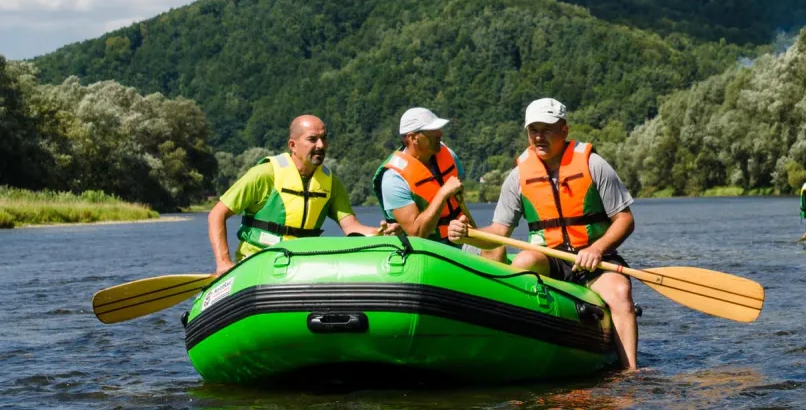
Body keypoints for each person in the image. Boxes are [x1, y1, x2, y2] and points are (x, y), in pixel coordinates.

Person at [447, 98, 640, 370]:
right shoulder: (517, 177)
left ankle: (630, 372)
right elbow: (499, 231)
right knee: (524, 261)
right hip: (551, 258)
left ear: (564, 130)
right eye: (533, 130)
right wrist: (468, 235)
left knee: (620, 291)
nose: (539, 136)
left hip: (595, 260)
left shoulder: (594, 165)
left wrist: (597, 248)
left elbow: (624, 219)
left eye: (546, 129)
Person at [208, 115, 395, 276]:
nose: (321, 145)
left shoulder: (331, 183)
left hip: (302, 268)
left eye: (324, 139)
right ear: (293, 145)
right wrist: (224, 261)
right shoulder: (265, 174)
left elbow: (352, 227)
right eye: (312, 139)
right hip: (256, 263)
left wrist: (379, 233)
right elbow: (217, 214)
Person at [371, 107, 468, 245]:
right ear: (413, 137)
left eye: (439, 129)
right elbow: (417, 233)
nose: (440, 133)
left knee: (496, 250)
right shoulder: (393, 180)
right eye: (432, 131)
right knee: (495, 251)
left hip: (461, 237)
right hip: (429, 250)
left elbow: (459, 196)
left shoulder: (448, 154)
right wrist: (442, 194)